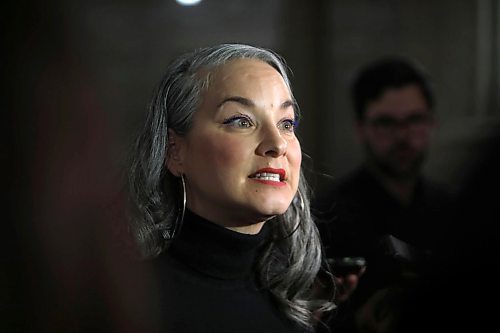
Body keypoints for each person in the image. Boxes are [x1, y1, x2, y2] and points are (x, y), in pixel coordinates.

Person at [126, 43, 335, 333]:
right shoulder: (129, 304)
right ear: (175, 151)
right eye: (241, 121)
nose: (277, 144)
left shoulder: (294, 301)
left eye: (286, 123)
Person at [313, 56, 454, 333]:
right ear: (360, 129)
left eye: (414, 120)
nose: (403, 136)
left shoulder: (454, 209)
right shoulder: (327, 216)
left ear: (432, 123)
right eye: (386, 123)